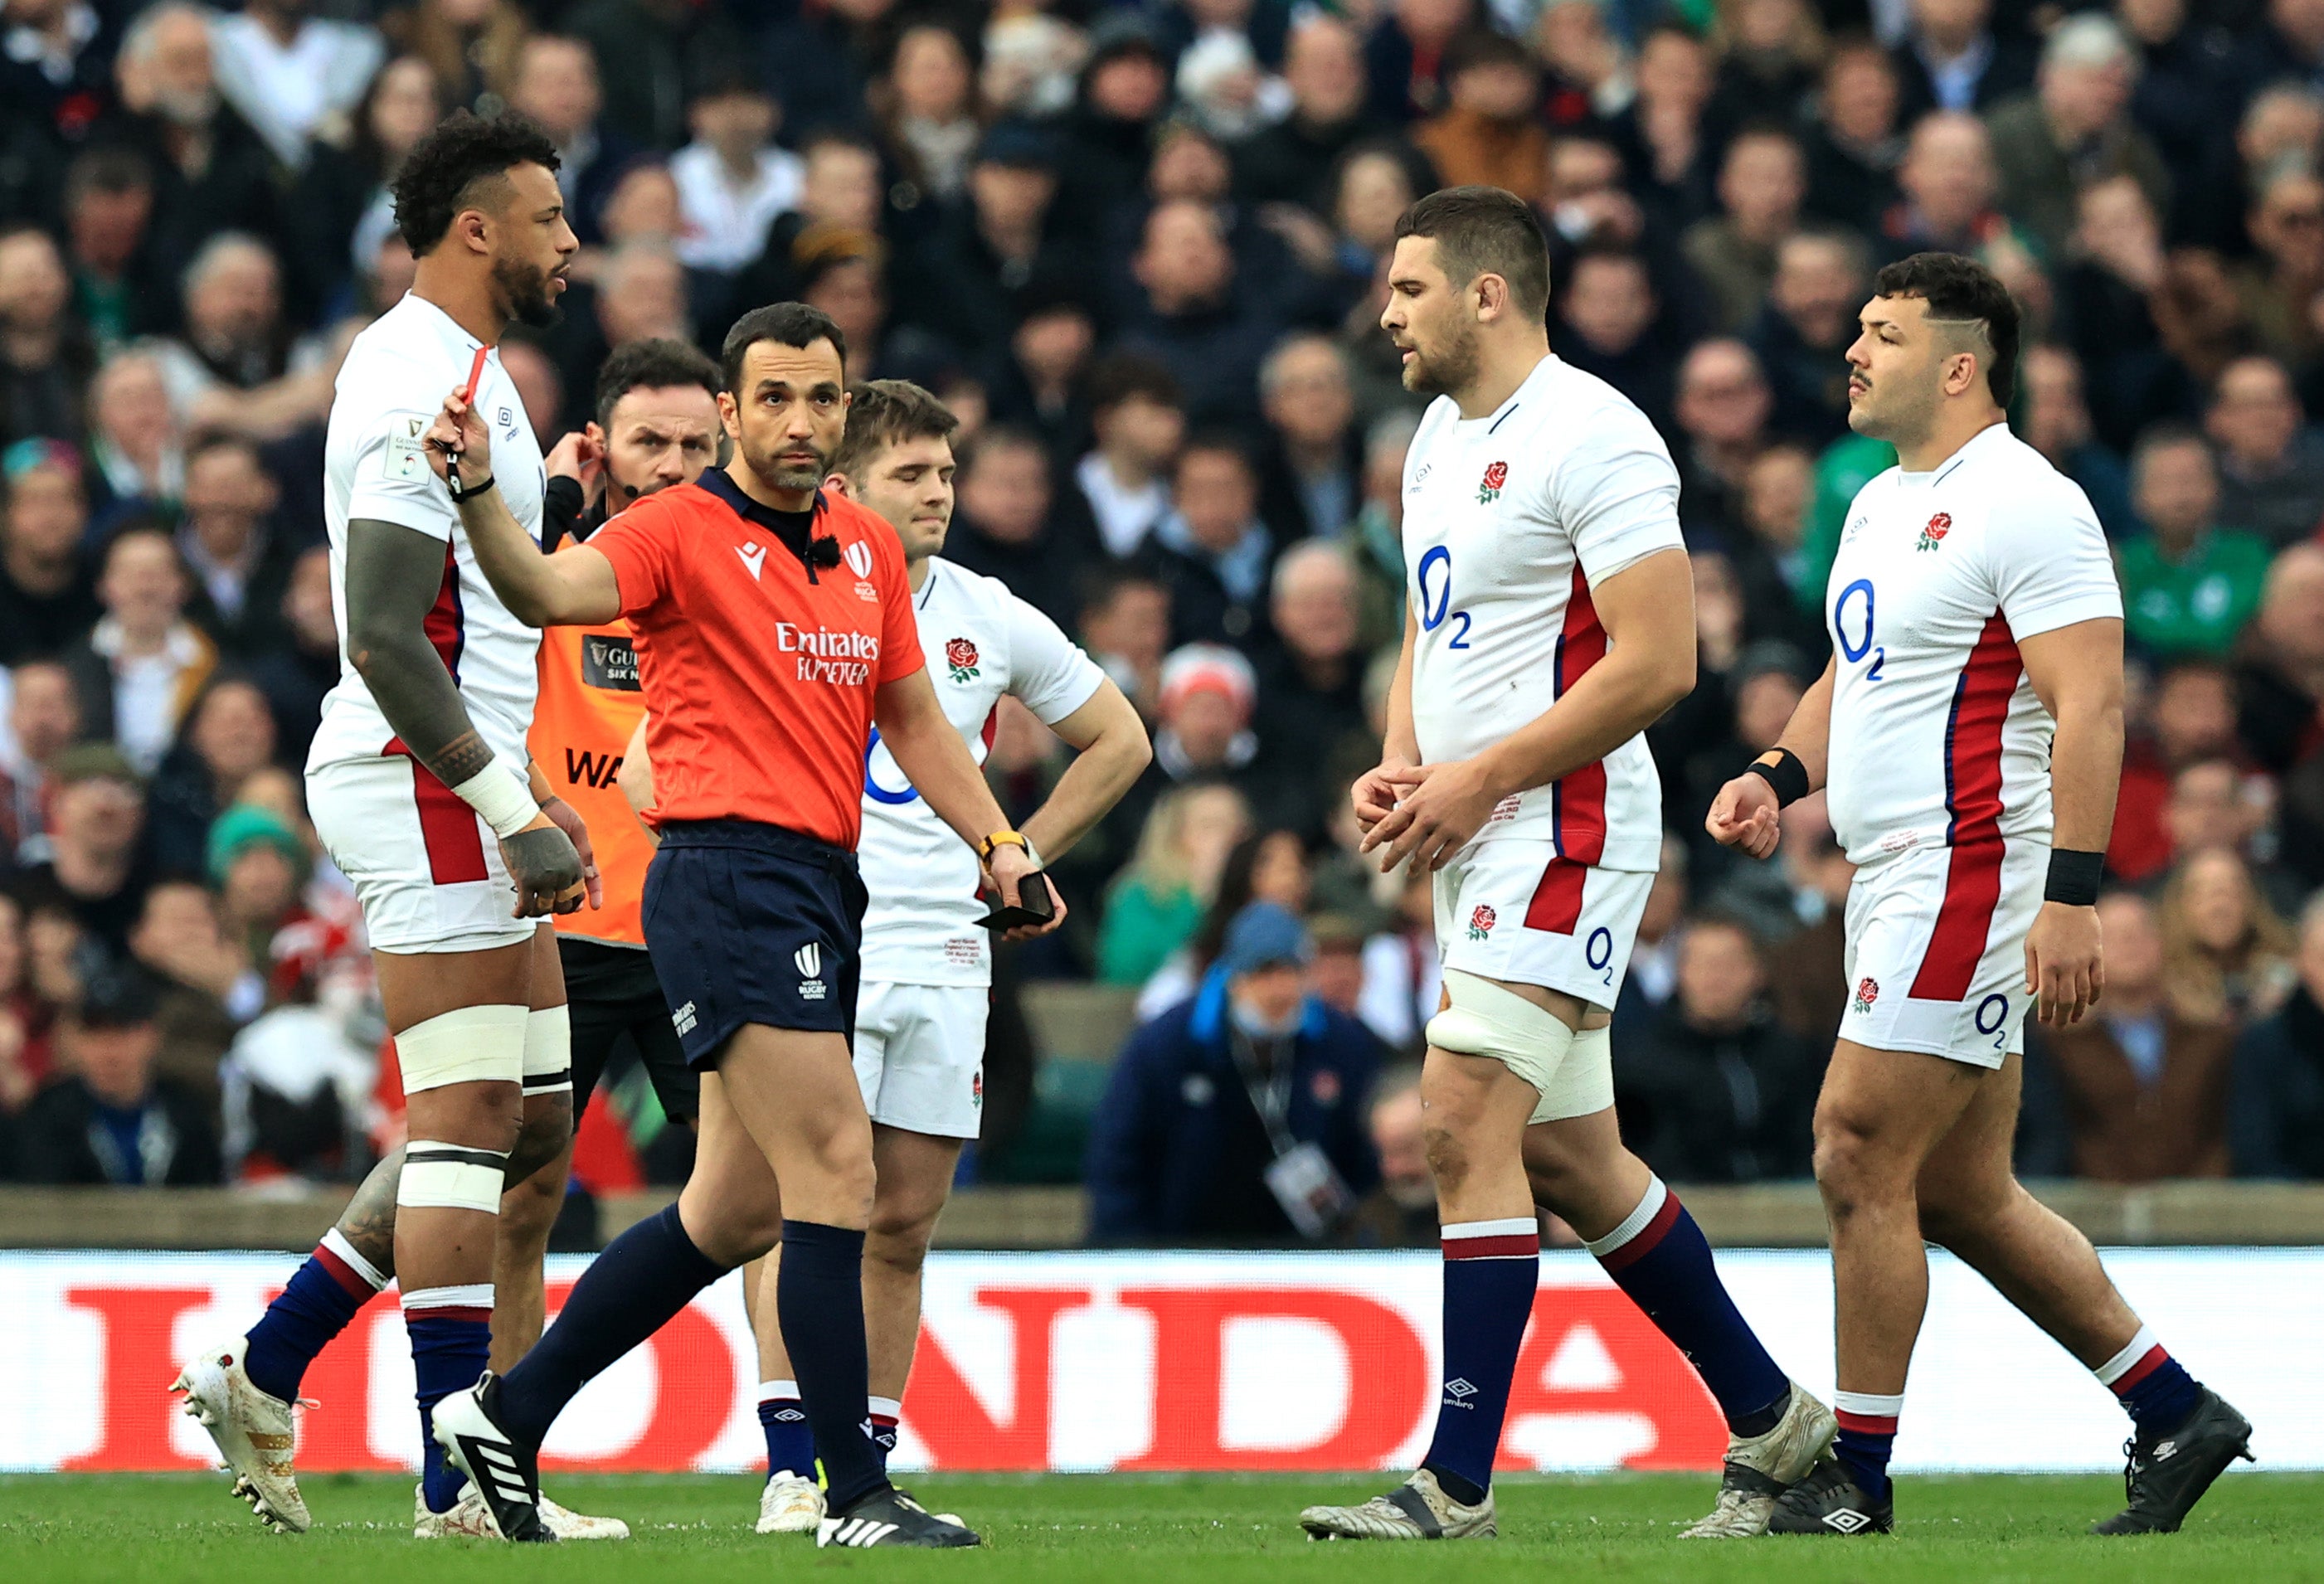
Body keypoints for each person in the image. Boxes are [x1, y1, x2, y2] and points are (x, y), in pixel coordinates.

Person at [414, 300, 1061, 1548]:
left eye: (823, 399)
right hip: (723, 875)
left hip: (821, 880)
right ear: (729, 410)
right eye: (775, 398)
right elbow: (545, 587)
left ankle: (504, 1413)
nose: (803, 422)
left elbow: (917, 722)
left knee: (732, 1213)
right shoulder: (676, 528)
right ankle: (851, 1493)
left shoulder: (866, 547)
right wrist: (489, 491)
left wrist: (1001, 843)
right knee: (840, 1170)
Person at [1300, 187, 1832, 1547]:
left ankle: (1454, 1481)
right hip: (1470, 825)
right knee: (1574, 1162)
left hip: (1568, 819)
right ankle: (1781, 1427)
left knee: (1457, 1119)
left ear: (1487, 293)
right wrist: (1405, 749)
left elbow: (1661, 662)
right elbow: (1432, 620)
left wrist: (1485, 773)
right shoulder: (1430, 436)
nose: (1386, 314)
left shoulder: (1596, 433)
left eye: (1407, 289)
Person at [1706, 250, 2250, 1537]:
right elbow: (1858, 675)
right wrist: (1778, 769)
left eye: (1881, 334)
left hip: (1974, 863)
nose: (1852, 350)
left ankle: (1856, 1478)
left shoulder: (2028, 502)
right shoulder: (1880, 500)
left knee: (1852, 1143)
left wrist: (2070, 896)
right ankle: (2176, 1409)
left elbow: (2094, 705)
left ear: (1960, 364)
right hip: (1889, 869)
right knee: (1957, 1191)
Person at [171, 109, 605, 1542]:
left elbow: (462, 599)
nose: (570, 242)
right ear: (476, 229)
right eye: (548, 218)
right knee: (469, 1124)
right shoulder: (414, 375)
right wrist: (506, 802)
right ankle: (455, 1488)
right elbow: (380, 631)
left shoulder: (466, 376)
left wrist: (560, 510)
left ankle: (270, 1366)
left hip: (463, 769)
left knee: (532, 1126)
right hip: (427, 776)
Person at [745, 378, 1147, 1533]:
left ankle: (865, 1468)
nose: (938, 494)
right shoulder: (784, 591)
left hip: (946, 945)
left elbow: (1119, 738)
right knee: (803, 1202)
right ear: (844, 486)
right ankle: (789, 1462)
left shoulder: (985, 612)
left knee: (904, 1217)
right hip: (817, 929)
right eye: (911, 474)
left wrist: (1013, 853)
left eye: (946, 473)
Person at [1087, 901, 1383, 1242]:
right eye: (1263, 972)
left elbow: (1364, 1151)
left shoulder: (1340, 1043)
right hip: (1183, 1244)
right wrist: (1130, 1249)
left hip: (1306, 1252)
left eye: (1292, 971)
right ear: (1232, 978)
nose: (1279, 990)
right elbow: (1118, 1150)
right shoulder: (1168, 1044)